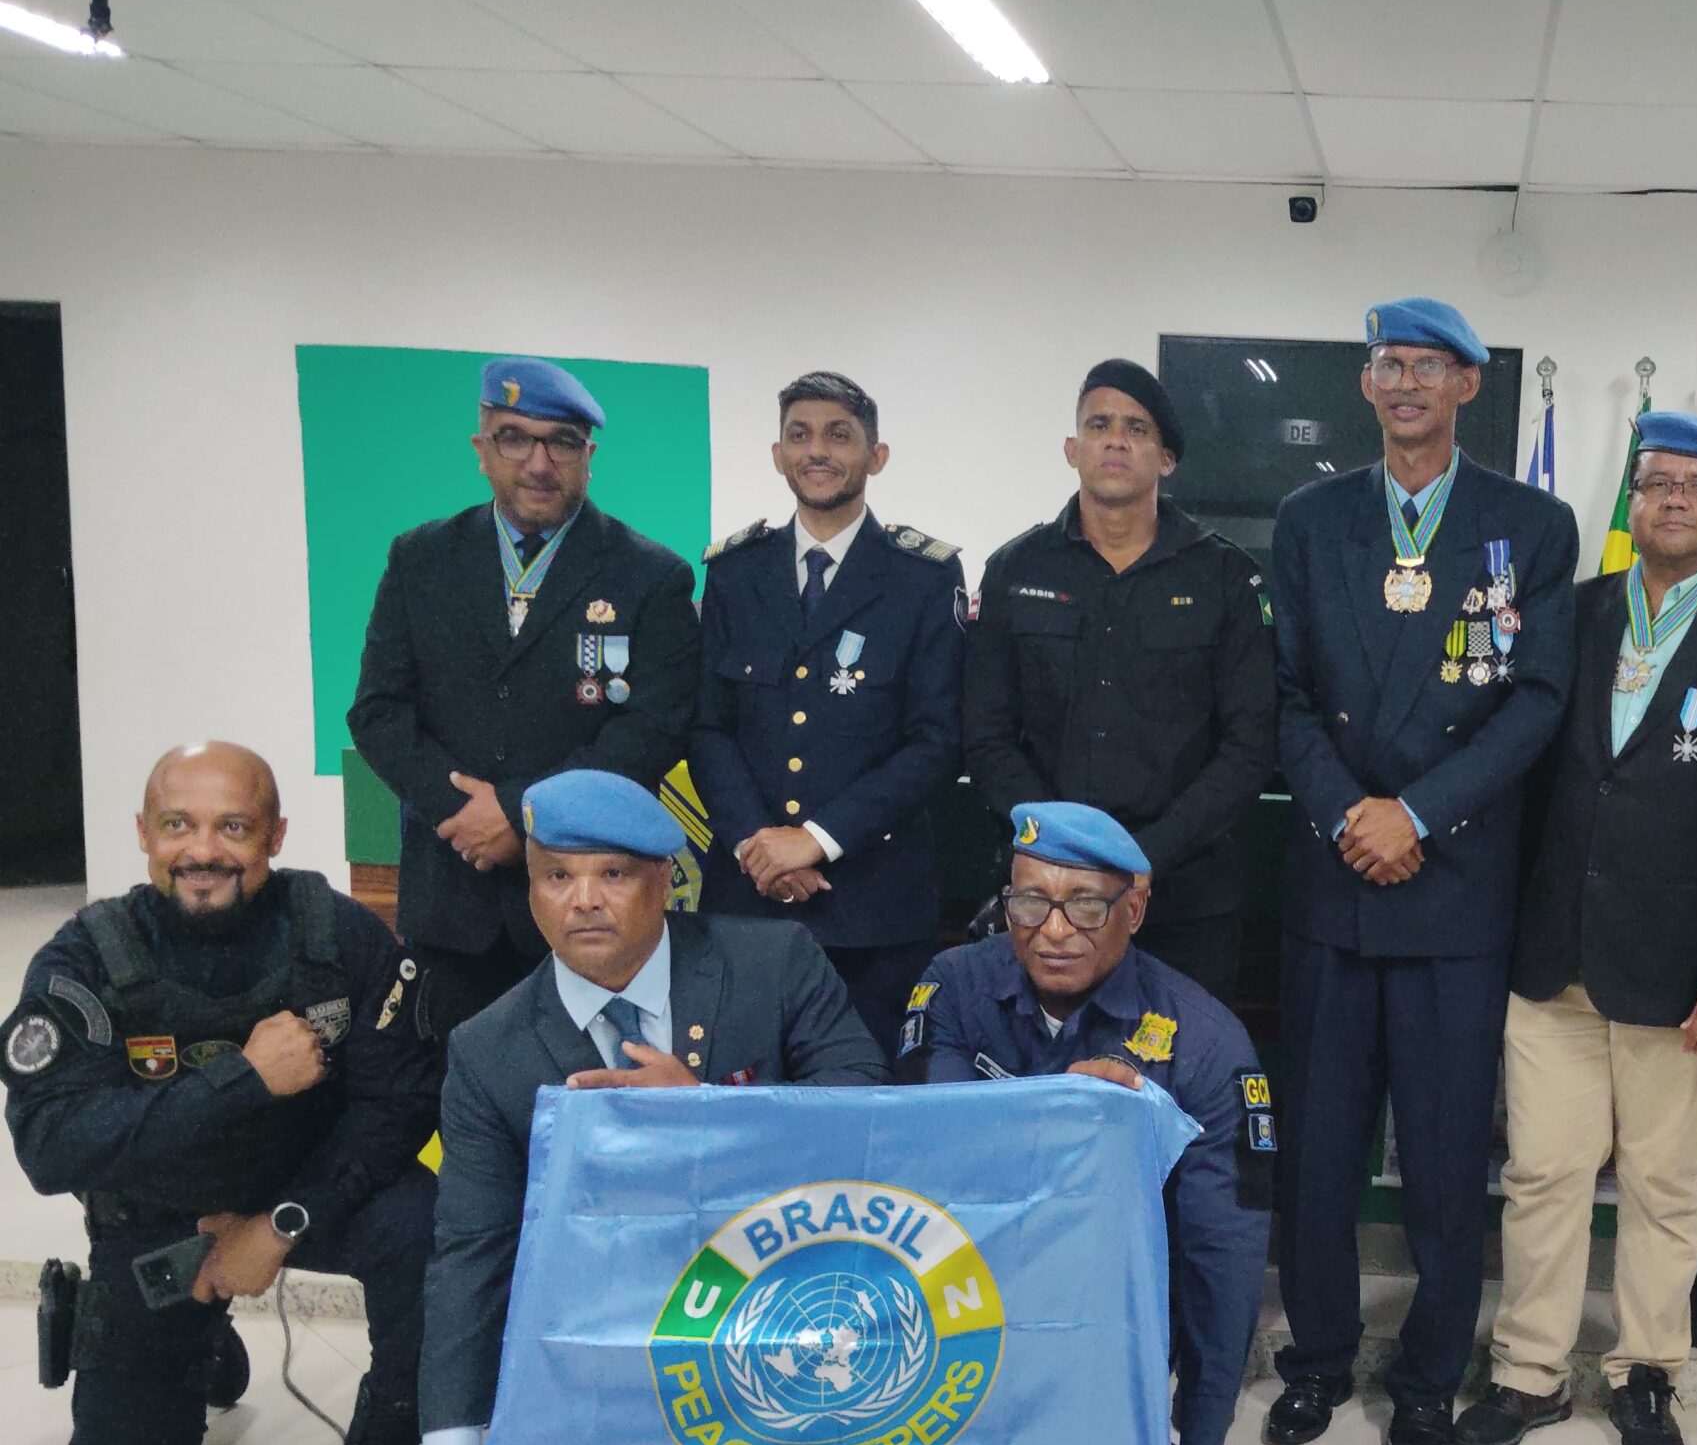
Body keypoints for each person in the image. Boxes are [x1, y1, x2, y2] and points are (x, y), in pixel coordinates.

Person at [401, 769, 886, 1445]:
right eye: (557, 876)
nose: (583, 901)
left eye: (614, 875)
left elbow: (866, 1111)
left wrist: (710, 1115)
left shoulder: (771, 962)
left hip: (782, 1285)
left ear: (667, 880)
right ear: (532, 888)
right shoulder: (488, 1050)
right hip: (621, 1310)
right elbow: (470, 1256)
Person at [1458, 414, 1697, 1445]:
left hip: (1684, 978)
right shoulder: (1561, 620)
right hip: (1551, 958)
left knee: (1668, 1183)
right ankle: (1529, 1369)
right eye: (1655, 482)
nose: (1673, 500)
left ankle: (1645, 1374)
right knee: (1542, 1172)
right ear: (1629, 502)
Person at [1263, 297, 1579, 1445]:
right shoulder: (1312, 518)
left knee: (1447, 1156)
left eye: (1428, 365)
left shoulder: (1529, 523)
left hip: (1452, 888)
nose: (1405, 382)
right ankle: (1317, 1356)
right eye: (1387, 363)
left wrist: (1419, 811)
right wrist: (1354, 811)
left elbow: (1536, 699)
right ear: (1365, 385)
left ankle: (1431, 1374)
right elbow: (1286, 693)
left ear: (1466, 384)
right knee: (1321, 1149)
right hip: (1335, 879)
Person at [2, 743, 438, 1445]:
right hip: (163, 1220)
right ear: (143, 833)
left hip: (311, 1196)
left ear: (275, 834)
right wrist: (241, 1080)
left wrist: (278, 1225)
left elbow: (400, 1102)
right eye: (179, 825)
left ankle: (390, 1426)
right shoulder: (87, 958)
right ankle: (193, 1342)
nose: (204, 850)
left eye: (233, 826)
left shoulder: (338, 934)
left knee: (421, 1220)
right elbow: (50, 1147)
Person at [896, 801, 1271, 1445]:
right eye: (1031, 903)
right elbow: (929, 1155)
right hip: (981, 1299)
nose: (1054, 931)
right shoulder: (951, 985)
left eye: (1086, 906)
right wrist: (1065, 1117)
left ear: (1133, 909)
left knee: (1148, 1349)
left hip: (1126, 1321)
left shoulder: (1210, 1042)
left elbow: (1224, 1269)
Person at [347, 357, 700, 1037]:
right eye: (515, 437)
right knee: (451, 1106)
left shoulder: (649, 574)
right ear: (482, 450)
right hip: (453, 893)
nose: (539, 462)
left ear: (588, 455)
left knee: (594, 1090)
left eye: (561, 442)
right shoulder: (420, 559)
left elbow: (653, 729)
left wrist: (519, 811)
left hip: (593, 903)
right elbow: (379, 712)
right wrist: (463, 813)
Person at [964, 360, 1276, 1004]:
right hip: (1042, 900)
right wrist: (1063, 854)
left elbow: (1249, 746)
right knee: (1042, 1090)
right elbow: (987, 734)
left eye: (1136, 428)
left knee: (1182, 1088)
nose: (1115, 439)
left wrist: (1142, 858)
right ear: (1072, 449)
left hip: (1182, 895)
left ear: (1165, 459)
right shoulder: (1014, 569)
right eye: (1099, 424)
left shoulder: (1223, 577)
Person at [690, 371, 964, 1054]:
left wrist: (816, 838)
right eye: (800, 435)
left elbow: (936, 742)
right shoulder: (734, 572)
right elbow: (707, 725)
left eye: (839, 435)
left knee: (865, 1116)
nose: (817, 451)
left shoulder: (923, 578)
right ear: (778, 454)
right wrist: (758, 843)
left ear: (877, 456)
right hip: (743, 901)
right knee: (737, 1103)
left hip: (871, 907)